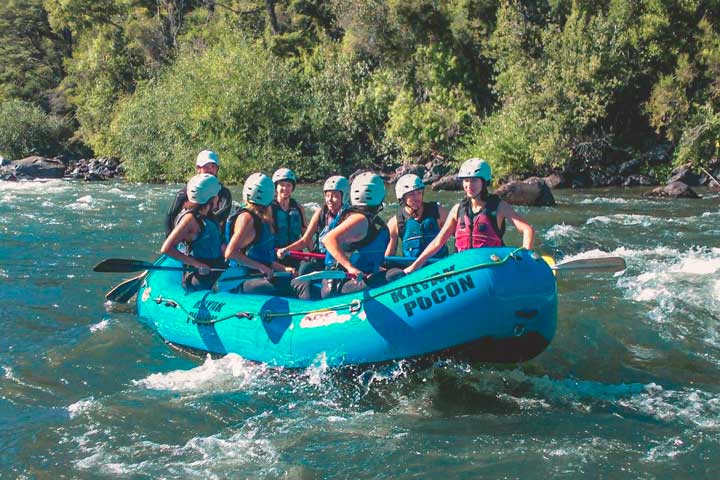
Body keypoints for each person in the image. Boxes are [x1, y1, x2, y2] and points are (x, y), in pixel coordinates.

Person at [404, 158, 535, 274]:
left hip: (491, 267)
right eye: (466, 181)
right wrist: (415, 266)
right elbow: (438, 242)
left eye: (474, 181)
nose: (468, 185)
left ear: (484, 182)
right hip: (464, 269)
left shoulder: (499, 207)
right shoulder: (458, 209)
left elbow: (527, 230)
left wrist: (525, 257)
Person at [293, 172, 398, 300]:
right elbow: (329, 239)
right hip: (339, 283)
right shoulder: (360, 219)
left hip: (358, 277)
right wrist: (350, 267)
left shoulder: (373, 220)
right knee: (394, 275)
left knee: (393, 271)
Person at [224, 173, 291, 294]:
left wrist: (283, 268)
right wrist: (261, 267)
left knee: (293, 277)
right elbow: (230, 253)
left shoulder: (262, 217)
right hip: (241, 280)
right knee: (288, 284)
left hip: (256, 276)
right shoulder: (247, 219)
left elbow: (261, 256)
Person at [160, 173, 225, 291]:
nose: (218, 198)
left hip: (216, 268)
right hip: (198, 275)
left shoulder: (209, 216)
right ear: (210, 198)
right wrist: (197, 264)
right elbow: (167, 248)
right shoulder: (189, 219)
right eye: (216, 195)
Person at [276, 175, 350, 275]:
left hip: (341, 260)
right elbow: (305, 240)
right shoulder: (320, 213)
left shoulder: (350, 216)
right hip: (321, 259)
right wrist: (286, 250)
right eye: (327, 196)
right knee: (304, 269)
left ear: (344, 196)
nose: (330, 200)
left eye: (335, 196)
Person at [164, 150, 232, 236]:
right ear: (198, 169)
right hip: (192, 236)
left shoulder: (224, 192)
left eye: (213, 166)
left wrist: (202, 221)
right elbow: (170, 216)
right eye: (206, 166)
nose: (210, 169)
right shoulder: (186, 191)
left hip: (214, 235)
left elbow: (223, 212)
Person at [385, 173, 449, 259]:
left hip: (439, 266)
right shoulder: (395, 222)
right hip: (413, 269)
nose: (416, 198)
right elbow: (389, 257)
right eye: (411, 194)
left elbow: (458, 236)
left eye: (419, 193)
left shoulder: (438, 211)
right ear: (402, 198)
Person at [271, 168, 306, 268]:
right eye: (282, 185)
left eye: (288, 185)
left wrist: (313, 253)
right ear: (276, 187)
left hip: (295, 255)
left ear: (292, 188)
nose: (285, 188)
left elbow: (305, 234)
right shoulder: (269, 208)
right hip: (276, 257)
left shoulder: (298, 208)